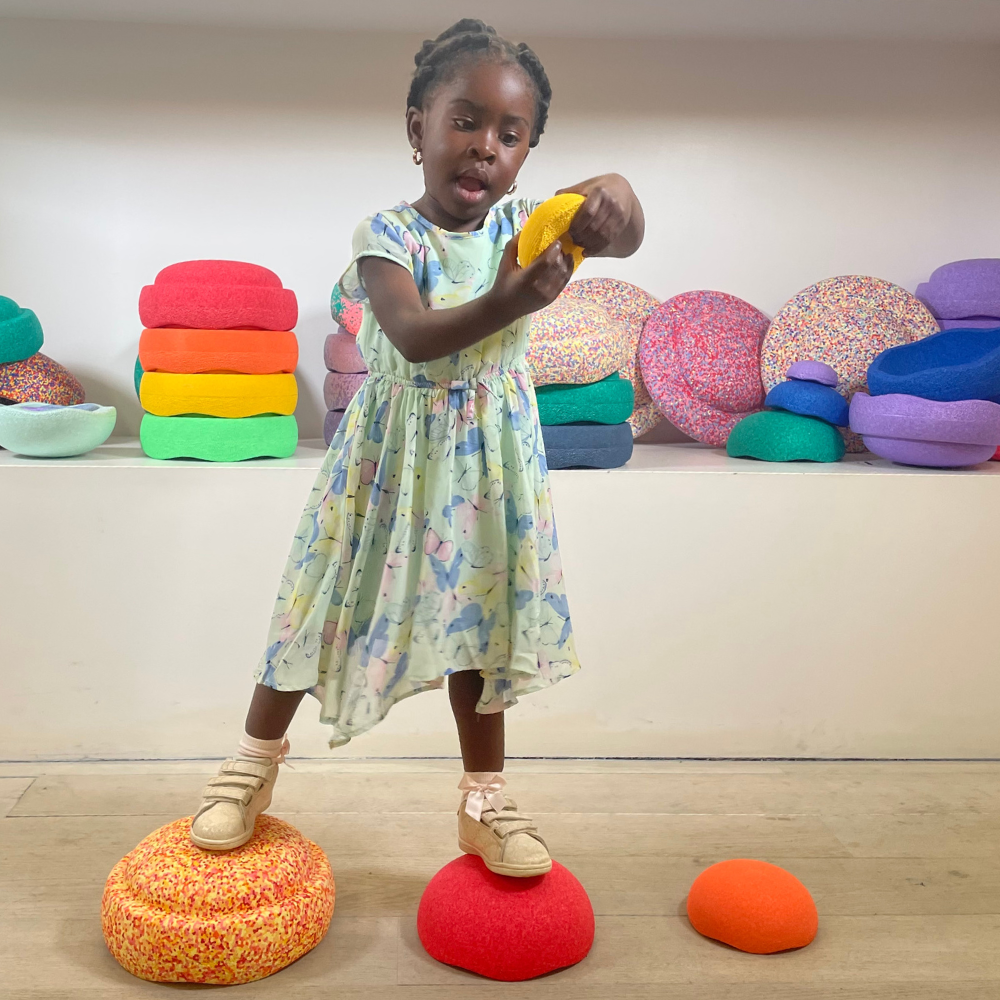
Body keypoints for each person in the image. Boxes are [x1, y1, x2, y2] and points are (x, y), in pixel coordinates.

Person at [189, 18, 644, 877]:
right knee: (319, 602)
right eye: (465, 121)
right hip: (389, 458)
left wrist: (614, 190)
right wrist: (510, 303)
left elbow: (625, 232)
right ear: (417, 128)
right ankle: (248, 768)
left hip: (489, 462)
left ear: (527, 156)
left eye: (510, 135)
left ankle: (485, 801)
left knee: (483, 624)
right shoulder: (386, 236)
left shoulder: (526, 228)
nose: (484, 147)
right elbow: (415, 336)